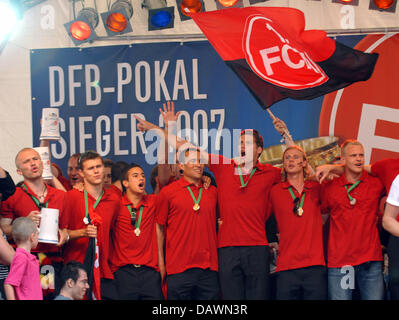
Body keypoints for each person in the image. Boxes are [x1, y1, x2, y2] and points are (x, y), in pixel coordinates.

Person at [135, 101, 292, 300]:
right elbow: (186, 148)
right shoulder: (225, 165)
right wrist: (155, 129)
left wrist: (285, 135)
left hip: (257, 247)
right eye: (240, 142)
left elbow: (300, 168)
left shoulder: (270, 173)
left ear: (260, 150)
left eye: (248, 143)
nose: (242, 146)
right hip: (226, 249)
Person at [320, 139, 385, 300]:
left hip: (370, 260)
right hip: (341, 262)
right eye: (353, 155)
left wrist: (334, 168)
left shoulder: (376, 183)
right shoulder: (330, 187)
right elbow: (321, 219)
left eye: (361, 155)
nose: (358, 159)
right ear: (343, 159)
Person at [0, 148, 68, 299]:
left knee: (47, 296)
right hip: (24, 261)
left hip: (50, 259)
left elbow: (67, 227)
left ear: (43, 163)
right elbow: (3, 228)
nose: (33, 163)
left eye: (35, 159)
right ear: (19, 171)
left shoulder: (60, 195)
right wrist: (24, 223)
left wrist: (65, 233)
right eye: (27, 161)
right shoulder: (12, 195)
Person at [156, 147, 219, 300]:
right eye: (193, 161)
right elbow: (159, 227)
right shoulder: (168, 193)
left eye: (200, 161)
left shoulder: (212, 192)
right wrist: (161, 262)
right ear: (181, 166)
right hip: (178, 269)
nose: (198, 165)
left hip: (208, 269)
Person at [268, 145, 326, 300]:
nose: (291, 160)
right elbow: (261, 216)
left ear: (305, 163)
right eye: (287, 158)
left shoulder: (316, 188)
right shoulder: (275, 191)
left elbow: (329, 184)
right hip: (286, 266)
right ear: (283, 165)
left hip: (314, 264)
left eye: (296, 157)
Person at [60, 150, 120, 300]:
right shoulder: (71, 197)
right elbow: (60, 233)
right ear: (81, 173)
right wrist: (82, 232)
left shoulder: (114, 199)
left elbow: (116, 233)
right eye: (90, 168)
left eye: (98, 166)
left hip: (104, 270)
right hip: (76, 269)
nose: (96, 171)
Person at [109, 163, 163, 300]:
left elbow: (170, 185)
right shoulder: (116, 205)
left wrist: (203, 178)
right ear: (125, 183)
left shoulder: (153, 202)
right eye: (135, 176)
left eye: (143, 176)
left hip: (150, 273)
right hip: (123, 273)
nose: (141, 178)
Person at [4, 217, 42, 300]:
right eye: (37, 234)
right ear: (32, 237)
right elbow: (8, 283)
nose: (38, 237)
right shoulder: (21, 257)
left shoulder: (26, 257)